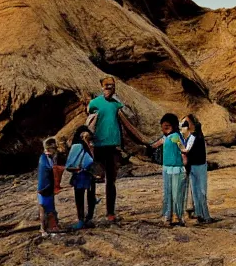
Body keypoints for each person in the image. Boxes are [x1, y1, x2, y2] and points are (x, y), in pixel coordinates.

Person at [87, 76, 146, 222]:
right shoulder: (95, 103)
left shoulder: (116, 105)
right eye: (107, 85)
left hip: (112, 147)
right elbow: (89, 122)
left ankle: (110, 212)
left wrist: (143, 141)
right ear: (101, 86)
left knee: (111, 181)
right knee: (92, 180)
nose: (109, 88)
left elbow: (127, 124)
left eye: (112, 85)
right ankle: (88, 215)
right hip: (98, 147)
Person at [149, 113, 187, 226]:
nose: (165, 128)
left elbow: (183, 150)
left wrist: (185, 165)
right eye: (163, 126)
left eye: (168, 126)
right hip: (166, 168)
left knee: (176, 193)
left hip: (177, 169)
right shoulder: (165, 137)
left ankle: (177, 217)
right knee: (168, 193)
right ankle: (168, 216)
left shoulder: (175, 137)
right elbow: (155, 145)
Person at [180, 114, 214, 224]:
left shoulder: (194, 136)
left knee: (197, 191)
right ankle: (204, 216)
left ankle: (201, 214)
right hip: (198, 166)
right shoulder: (195, 135)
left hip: (195, 166)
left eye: (186, 122)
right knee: (200, 191)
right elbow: (187, 150)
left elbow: (186, 150)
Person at [65, 125, 98, 230]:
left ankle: (83, 220)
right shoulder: (86, 145)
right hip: (84, 175)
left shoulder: (79, 145)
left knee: (82, 197)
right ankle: (85, 220)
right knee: (88, 196)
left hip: (82, 175)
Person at [37, 137, 61, 236]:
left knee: (46, 207)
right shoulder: (45, 158)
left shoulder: (44, 157)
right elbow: (51, 168)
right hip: (45, 187)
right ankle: (45, 228)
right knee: (45, 208)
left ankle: (49, 226)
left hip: (45, 187)